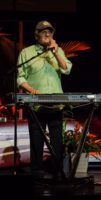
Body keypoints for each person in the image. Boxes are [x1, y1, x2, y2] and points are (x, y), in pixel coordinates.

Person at [17, 21, 72, 178]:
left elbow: (66, 69)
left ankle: (57, 172)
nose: (48, 34)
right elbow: (19, 77)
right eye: (43, 32)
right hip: (36, 104)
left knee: (56, 141)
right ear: (36, 35)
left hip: (56, 104)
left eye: (50, 32)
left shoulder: (58, 50)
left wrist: (54, 52)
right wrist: (31, 90)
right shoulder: (27, 53)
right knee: (36, 140)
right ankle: (37, 172)